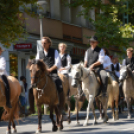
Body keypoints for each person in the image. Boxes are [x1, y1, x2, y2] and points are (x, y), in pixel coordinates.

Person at [36, 37, 64, 103]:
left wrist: (50, 70)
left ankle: (61, 105)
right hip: (42, 75)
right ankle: (32, 107)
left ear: (49, 44)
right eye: (42, 43)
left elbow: (58, 63)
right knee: (31, 88)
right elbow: (36, 64)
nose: (43, 44)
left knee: (59, 85)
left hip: (52, 73)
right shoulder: (39, 53)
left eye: (45, 43)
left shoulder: (55, 51)